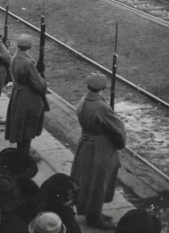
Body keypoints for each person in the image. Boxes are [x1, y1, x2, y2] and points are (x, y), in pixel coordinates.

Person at [70, 73, 126, 230]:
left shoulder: (83, 100)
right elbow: (119, 129)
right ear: (103, 87)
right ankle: (94, 218)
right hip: (100, 148)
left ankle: (92, 212)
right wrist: (119, 144)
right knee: (98, 183)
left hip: (85, 145)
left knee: (87, 180)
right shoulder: (102, 107)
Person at [5, 34, 48, 155]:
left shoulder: (14, 57)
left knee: (19, 123)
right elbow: (39, 85)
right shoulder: (28, 63)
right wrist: (43, 80)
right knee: (28, 124)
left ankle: (22, 149)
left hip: (17, 94)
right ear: (30, 46)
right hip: (28, 97)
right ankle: (24, 153)